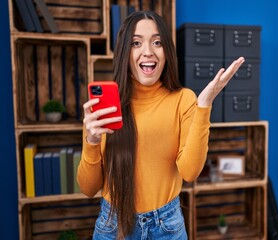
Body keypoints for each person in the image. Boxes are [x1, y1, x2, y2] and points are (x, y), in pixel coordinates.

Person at [77, 10, 245, 240]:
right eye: (136, 43)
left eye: (157, 42)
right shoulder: (107, 106)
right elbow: (88, 188)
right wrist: (91, 141)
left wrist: (203, 105)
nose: (148, 52)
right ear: (125, 52)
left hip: (167, 225)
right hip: (114, 226)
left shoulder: (184, 100)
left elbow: (190, 172)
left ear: (167, 51)